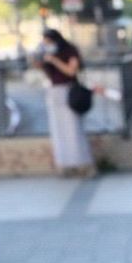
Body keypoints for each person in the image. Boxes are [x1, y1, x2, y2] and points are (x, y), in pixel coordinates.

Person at [39, 28, 92, 177]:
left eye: (49, 41)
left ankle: (84, 164)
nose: (47, 45)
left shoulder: (69, 51)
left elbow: (71, 71)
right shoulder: (48, 53)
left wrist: (55, 60)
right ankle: (65, 164)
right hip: (54, 92)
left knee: (74, 129)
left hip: (69, 91)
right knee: (59, 130)